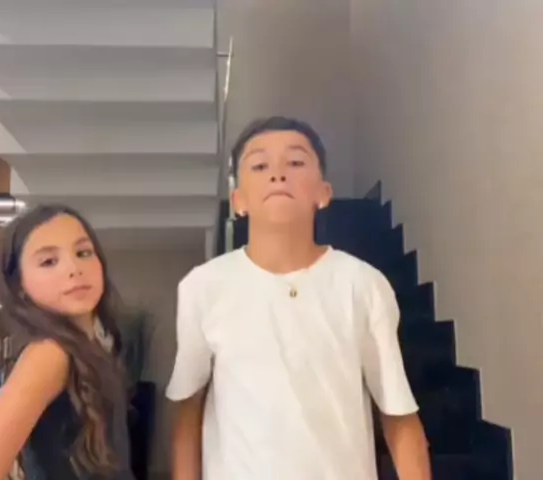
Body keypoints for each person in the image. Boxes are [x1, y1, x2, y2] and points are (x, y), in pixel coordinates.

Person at [167, 116, 432, 480]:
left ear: (323, 193)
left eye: (295, 162)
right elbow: (188, 410)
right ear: (239, 201)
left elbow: (398, 414)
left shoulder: (362, 284)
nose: (278, 174)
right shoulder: (204, 286)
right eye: (260, 166)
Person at [0, 205, 134, 480]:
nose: (74, 269)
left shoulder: (91, 347)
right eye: (48, 261)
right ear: (19, 286)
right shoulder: (49, 354)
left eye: (83, 253)